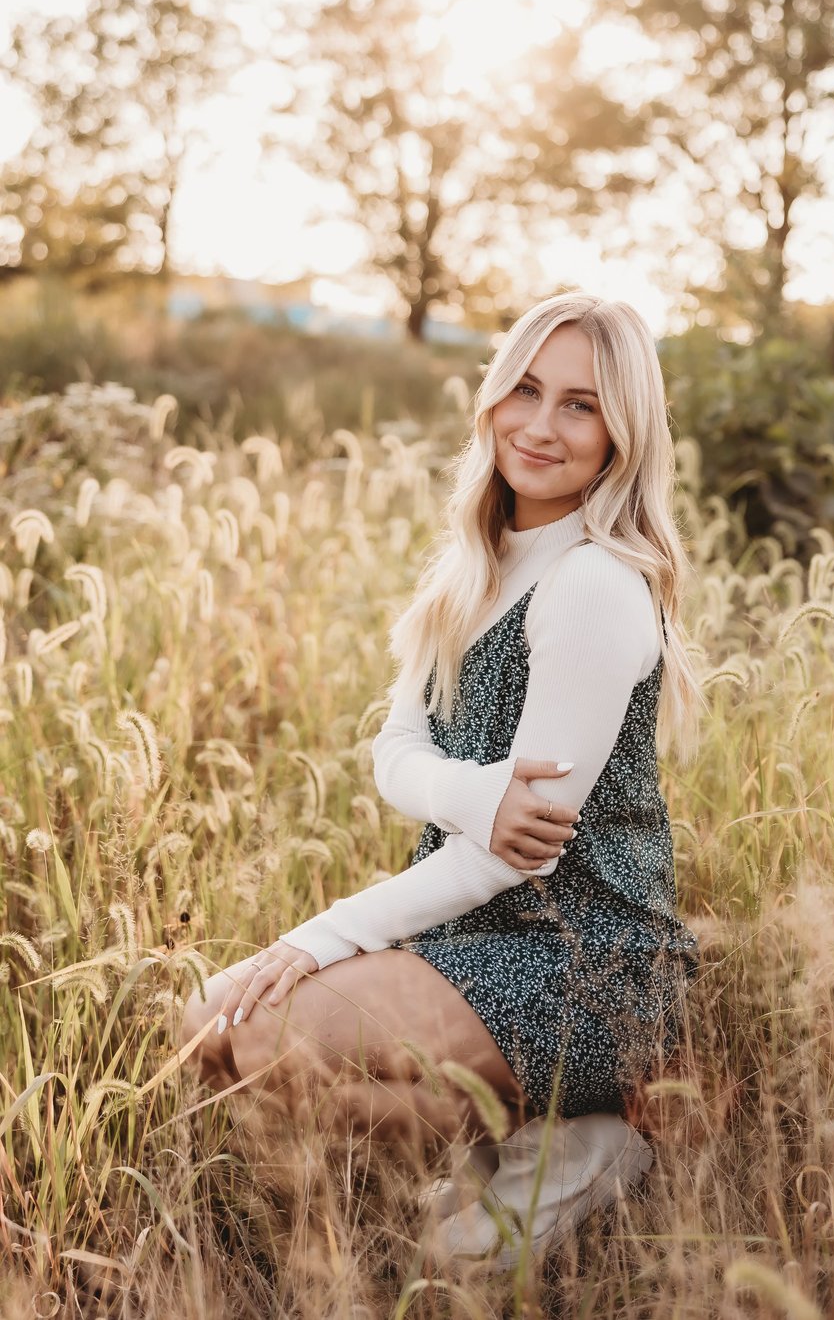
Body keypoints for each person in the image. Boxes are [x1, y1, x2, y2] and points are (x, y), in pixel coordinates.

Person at [178, 292, 703, 1265]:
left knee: (255, 1041)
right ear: (492, 395)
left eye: (581, 406)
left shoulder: (591, 585)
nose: (540, 426)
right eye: (526, 389)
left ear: (623, 435)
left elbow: (511, 858)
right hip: (473, 937)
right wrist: (471, 795)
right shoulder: (472, 567)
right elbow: (395, 756)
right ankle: (541, 1131)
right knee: (201, 1029)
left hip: (585, 965)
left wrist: (313, 939)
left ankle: (584, 1130)